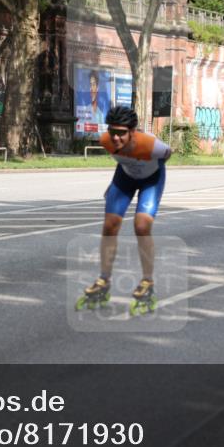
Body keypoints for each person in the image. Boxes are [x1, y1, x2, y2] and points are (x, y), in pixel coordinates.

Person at [80, 106, 172, 315]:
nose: (116, 138)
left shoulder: (152, 146)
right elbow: (121, 161)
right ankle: (104, 279)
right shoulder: (105, 141)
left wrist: (148, 168)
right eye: (113, 131)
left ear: (133, 132)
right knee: (110, 225)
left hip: (151, 179)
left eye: (122, 132)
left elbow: (167, 155)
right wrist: (113, 186)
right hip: (125, 178)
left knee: (141, 226)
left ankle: (147, 281)